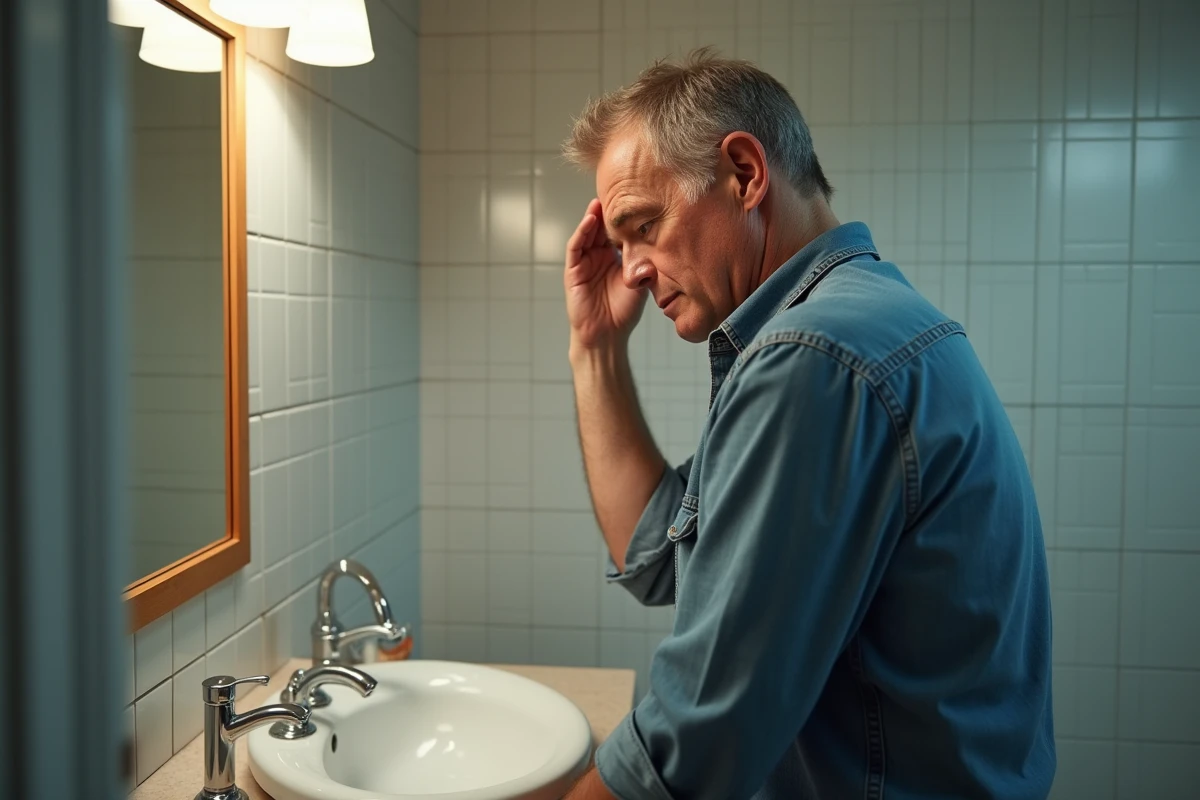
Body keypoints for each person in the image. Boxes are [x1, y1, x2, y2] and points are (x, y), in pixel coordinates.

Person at [558, 49, 1056, 800]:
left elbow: (699, 733)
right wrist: (595, 346)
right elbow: (658, 553)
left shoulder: (814, 357)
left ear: (745, 175)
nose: (630, 269)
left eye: (644, 225)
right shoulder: (856, 325)